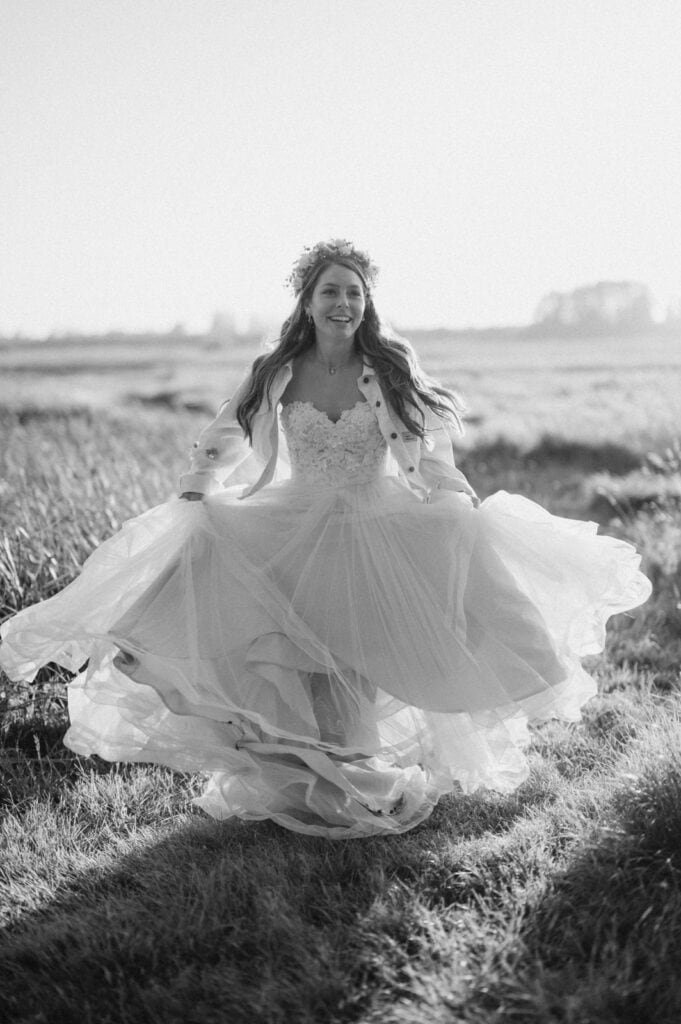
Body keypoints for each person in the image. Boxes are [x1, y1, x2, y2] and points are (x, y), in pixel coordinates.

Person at [0, 239, 652, 838]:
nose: (343, 302)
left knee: (357, 658)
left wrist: (453, 497)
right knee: (303, 661)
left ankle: (357, 773)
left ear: (366, 304)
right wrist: (199, 486)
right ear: (307, 302)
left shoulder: (385, 367)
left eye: (354, 292)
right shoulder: (278, 369)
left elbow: (424, 453)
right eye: (330, 291)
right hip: (294, 522)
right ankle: (316, 781)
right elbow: (227, 432)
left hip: (375, 523)